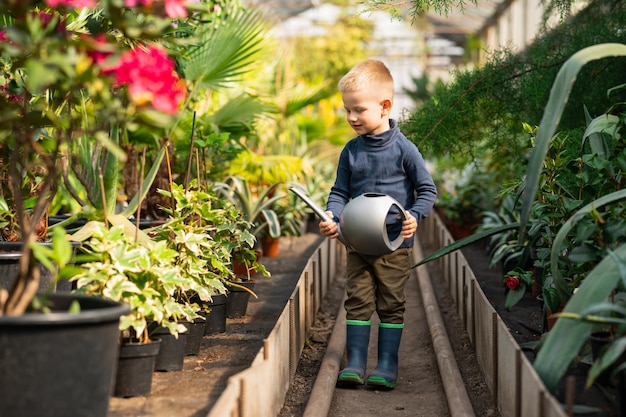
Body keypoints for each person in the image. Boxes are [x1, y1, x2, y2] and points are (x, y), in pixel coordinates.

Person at [319, 59, 437, 389]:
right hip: (357, 241)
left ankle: (386, 364)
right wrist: (333, 216)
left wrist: (414, 215)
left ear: (385, 106)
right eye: (347, 110)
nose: (351, 118)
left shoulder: (404, 150)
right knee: (356, 299)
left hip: (394, 243)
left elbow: (427, 190)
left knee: (391, 302)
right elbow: (339, 192)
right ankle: (355, 361)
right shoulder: (351, 152)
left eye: (358, 110)